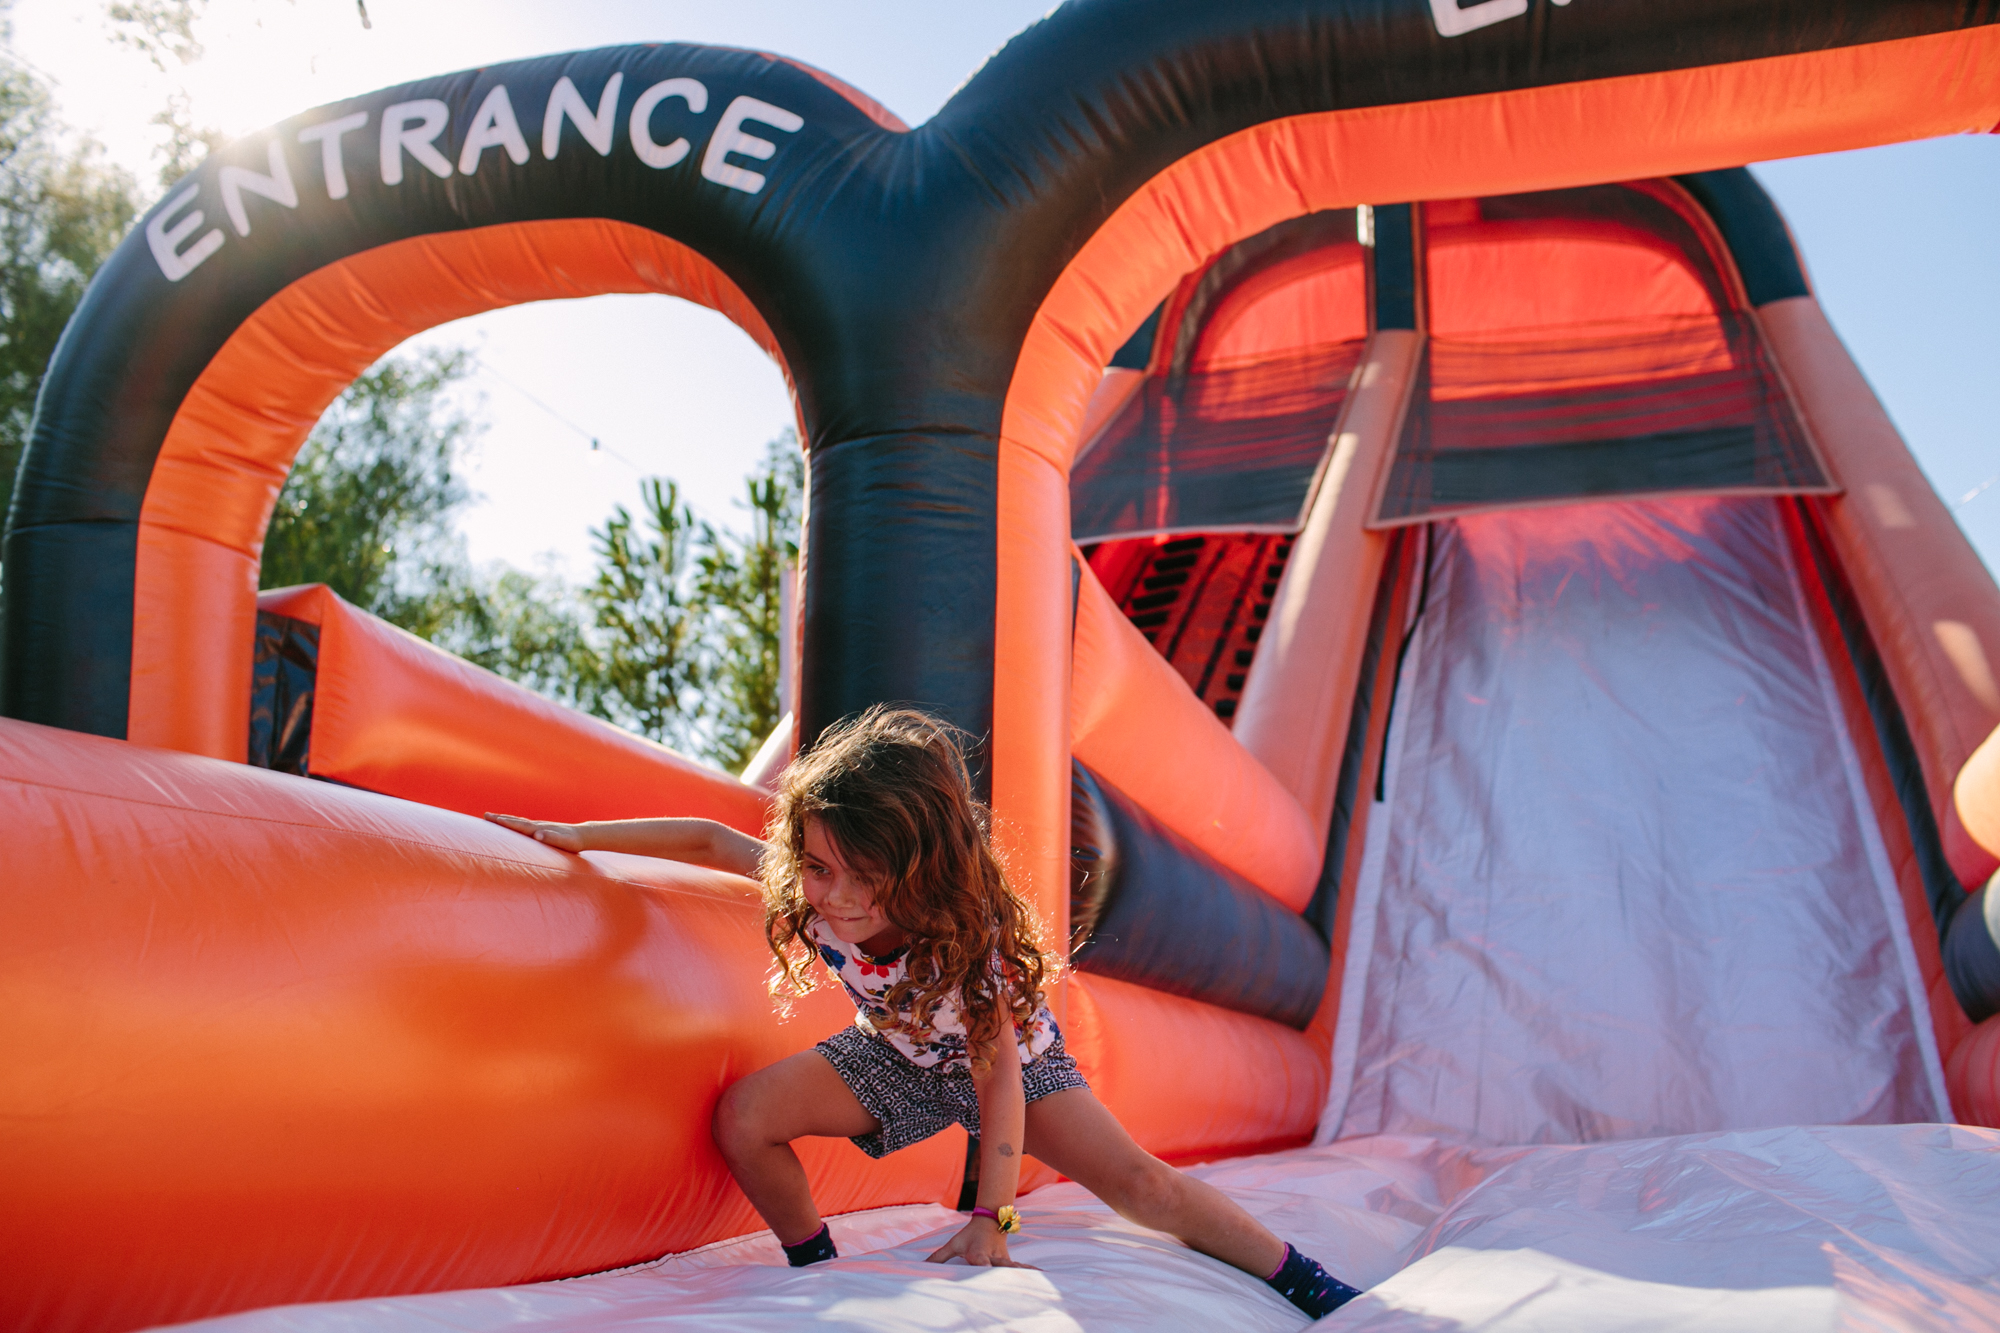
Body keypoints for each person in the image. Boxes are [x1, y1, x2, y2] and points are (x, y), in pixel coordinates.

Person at [486, 705, 1361, 1318]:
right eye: (819, 866)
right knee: (746, 1114)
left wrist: (991, 1221)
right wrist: (577, 837)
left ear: (912, 868)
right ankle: (813, 1268)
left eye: (857, 874)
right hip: (896, 1057)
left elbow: (1002, 1084)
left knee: (1141, 1185)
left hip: (1016, 1070)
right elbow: (710, 840)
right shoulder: (817, 887)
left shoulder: (959, 951)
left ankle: (1300, 1275)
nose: (831, 894)